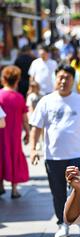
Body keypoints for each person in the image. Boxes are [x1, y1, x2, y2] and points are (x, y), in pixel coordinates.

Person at [29, 64, 80, 237]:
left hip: (76, 154)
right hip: (53, 156)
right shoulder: (46, 101)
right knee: (58, 192)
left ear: (73, 80)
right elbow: (36, 127)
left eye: (67, 78)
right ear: (56, 79)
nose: (63, 81)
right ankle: (63, 224)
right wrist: (33, 149)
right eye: (60, 77)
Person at [0, 66, 30, 198]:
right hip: (15, 135)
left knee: (1, 156)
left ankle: (0, 186)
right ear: (17, 80)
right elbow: (24, 119)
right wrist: (28, 133)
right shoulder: (19, 97)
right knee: (14, 156)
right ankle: (14, 189)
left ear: (3, 79)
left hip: (1, 135)